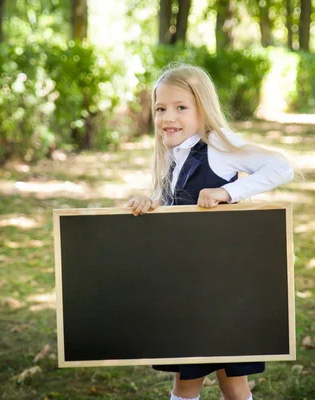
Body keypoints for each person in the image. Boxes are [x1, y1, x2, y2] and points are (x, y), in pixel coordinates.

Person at [126, 64, 294, 400]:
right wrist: (151, 203)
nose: (167, 117)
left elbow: (281, 167)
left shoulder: (217, 145)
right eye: (160, 109)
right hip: (187, 290)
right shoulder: (173, 155)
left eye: (181, 108)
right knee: (186, 381)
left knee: (233, 382)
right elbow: (177, 210)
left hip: (224, 288)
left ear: (203, 110)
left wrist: (228, 193)